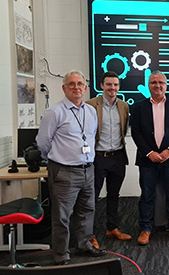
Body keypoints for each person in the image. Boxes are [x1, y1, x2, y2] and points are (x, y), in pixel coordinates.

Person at [36, 70, 107, 265]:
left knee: (87, 210)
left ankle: (84, 244)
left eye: (80, 84)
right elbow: (43, 142)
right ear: (64, 88)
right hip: (64, 171)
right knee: (62, 215)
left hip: (88, 169)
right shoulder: (54, 112)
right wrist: (56, 158)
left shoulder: (91, 111)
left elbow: (91, 137)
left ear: (85, 88)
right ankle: (61, 254)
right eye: (72, 84)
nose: (76, 87)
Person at [131, 70, 169, 245]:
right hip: (147, 159)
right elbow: (136, 133)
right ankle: (146, 228)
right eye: (154, 82)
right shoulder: (139, 107)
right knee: (147, 195)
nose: (157, 85)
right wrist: (150, 153)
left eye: (161, 82)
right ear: (149, 86)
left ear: (166, 85)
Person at [86, 71, 131, 248]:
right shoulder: (90, 105)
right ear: (102, 86)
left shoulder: (124, 106)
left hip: (118, 157)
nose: (112, 88)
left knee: (114, 195)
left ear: (119, 87)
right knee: (93, 197)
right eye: (109, 84)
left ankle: (112, 228)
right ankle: (91, 234)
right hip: (98, 157)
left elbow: (124, 130)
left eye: (115, 85)